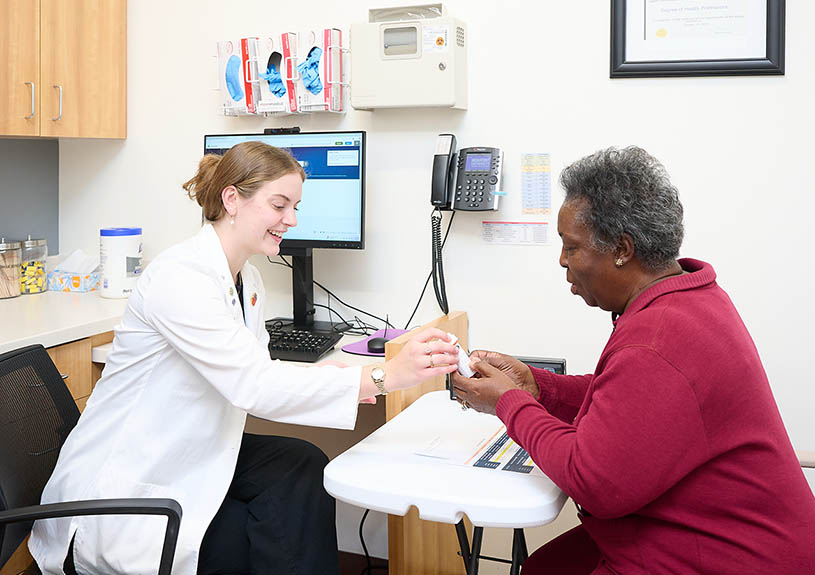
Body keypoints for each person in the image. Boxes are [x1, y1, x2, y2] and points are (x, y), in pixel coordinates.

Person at [29, 141, 460, 575]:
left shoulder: (247, 279)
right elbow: (253, 386)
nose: (291, 220)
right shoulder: (180, 278)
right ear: (232, 199)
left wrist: (338, 379)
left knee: (301, 463)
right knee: (244, 538)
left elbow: (248, 369)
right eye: (279, 204)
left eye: (295, 206)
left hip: (187, 449)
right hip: (127, 488)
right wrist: (381, 377)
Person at [451, 146, 815, 574]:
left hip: (730, 556)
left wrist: (508, 403)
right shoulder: (689, 297)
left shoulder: (657, 339)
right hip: (699, 527)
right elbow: (634, 403)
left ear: (622, 248)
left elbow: (593, 481)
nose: (563, 261)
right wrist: (537, 386)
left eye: (572, 246)